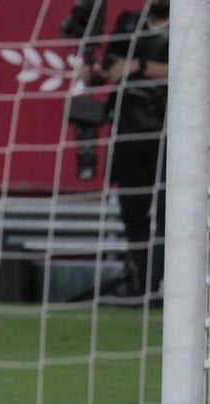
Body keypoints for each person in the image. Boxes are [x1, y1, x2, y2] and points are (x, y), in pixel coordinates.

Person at [90, 0, 169, 301]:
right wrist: (94, 71)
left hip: (170, 129)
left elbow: (193, 71)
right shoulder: (128, 24)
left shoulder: (192, 28)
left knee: (168, 212)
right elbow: (109, 69)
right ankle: (145, 282)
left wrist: (139, 66)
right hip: (130, 127)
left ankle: (165, 281)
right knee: (132, 210)